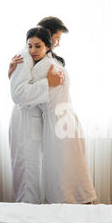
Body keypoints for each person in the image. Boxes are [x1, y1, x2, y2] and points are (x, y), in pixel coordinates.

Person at [21, 26, 96, 204]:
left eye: (37, 46)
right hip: (67, 118)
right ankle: (80, 203)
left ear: (46, 45)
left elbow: (24, 96)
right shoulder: (54, 63)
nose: (32, 51)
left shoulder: (45, 66)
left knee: (61, 170)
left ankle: (65, 207)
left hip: (58, 123)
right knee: (72, 168)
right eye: (30, 46)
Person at [8, 17, 68, 204]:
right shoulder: (24, 56)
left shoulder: (43, 57)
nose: (58, 43)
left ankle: (31, 219)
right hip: (25, 122)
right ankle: (26, 220)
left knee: (33, 173)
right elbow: (18, 94)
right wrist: (47, 83)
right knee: (28, 175)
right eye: (56, 38)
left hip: (34, 121)